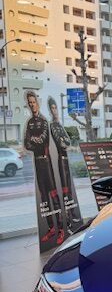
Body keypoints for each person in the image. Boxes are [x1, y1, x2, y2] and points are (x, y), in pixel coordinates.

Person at [23, 90, 63, 245]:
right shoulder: (29, 123)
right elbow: (27, 144)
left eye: (34, 102)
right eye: (30, 103)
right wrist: (34, 140)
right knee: (44, 199)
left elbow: (42, 140)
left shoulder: (44, 121)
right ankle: (51, 228)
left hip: (46, 163)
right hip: (37, 164)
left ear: (37, 103)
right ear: (28, 105)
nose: (32, 105)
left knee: (53, 195)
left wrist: (33, 140)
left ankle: (61, 229)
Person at [47, 96, 80, 235]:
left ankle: (72, 216)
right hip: (59, 160)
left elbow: (67, 141)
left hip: (65, 159)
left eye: (56, 108)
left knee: (69, 190)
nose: (55, 111)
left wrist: (64, 140)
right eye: (52, 108)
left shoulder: (59, 125)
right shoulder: (52, 126)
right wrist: (63, 140)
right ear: (50, 110)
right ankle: (67, 222)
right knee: (65, 191)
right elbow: (61, 142)